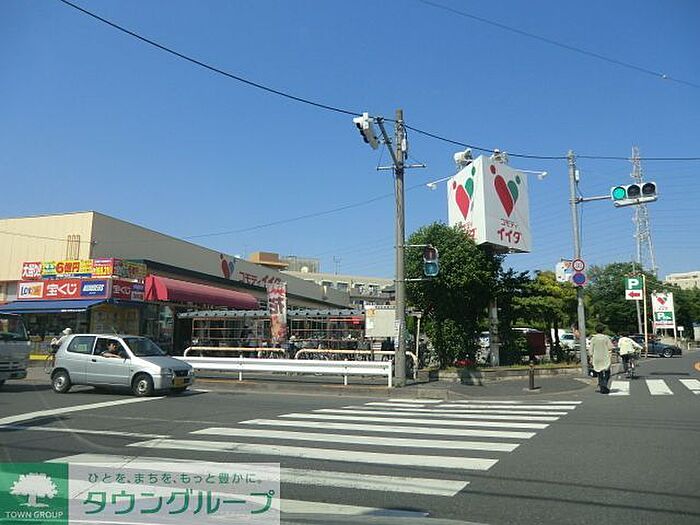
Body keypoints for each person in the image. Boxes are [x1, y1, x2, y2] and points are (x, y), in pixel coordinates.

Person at [588, 324, 614, 394]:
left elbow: (590, 350)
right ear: (603, 330)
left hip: (596, 357)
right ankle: (604, 384)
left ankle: (602, 386)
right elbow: (610, 347)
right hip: (605, 357)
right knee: (607, 372)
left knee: (599, 373)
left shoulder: (593, 338)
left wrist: (591, 358)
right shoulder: (606, 338)